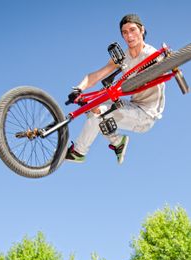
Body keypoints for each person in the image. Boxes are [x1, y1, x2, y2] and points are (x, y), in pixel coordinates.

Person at [65, 14, 166, 165]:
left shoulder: (151, 54)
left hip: (146, 115)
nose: (129, 35)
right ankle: (117, 142)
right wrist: (79, 89)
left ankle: (79, 151)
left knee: (99, 112)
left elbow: (165, 66)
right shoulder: (122, 57)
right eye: (125, 32)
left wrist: (167, 60)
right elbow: (96, 75)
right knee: (93, 108)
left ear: (142, 30)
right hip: (132, 106)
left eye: (132, 30)